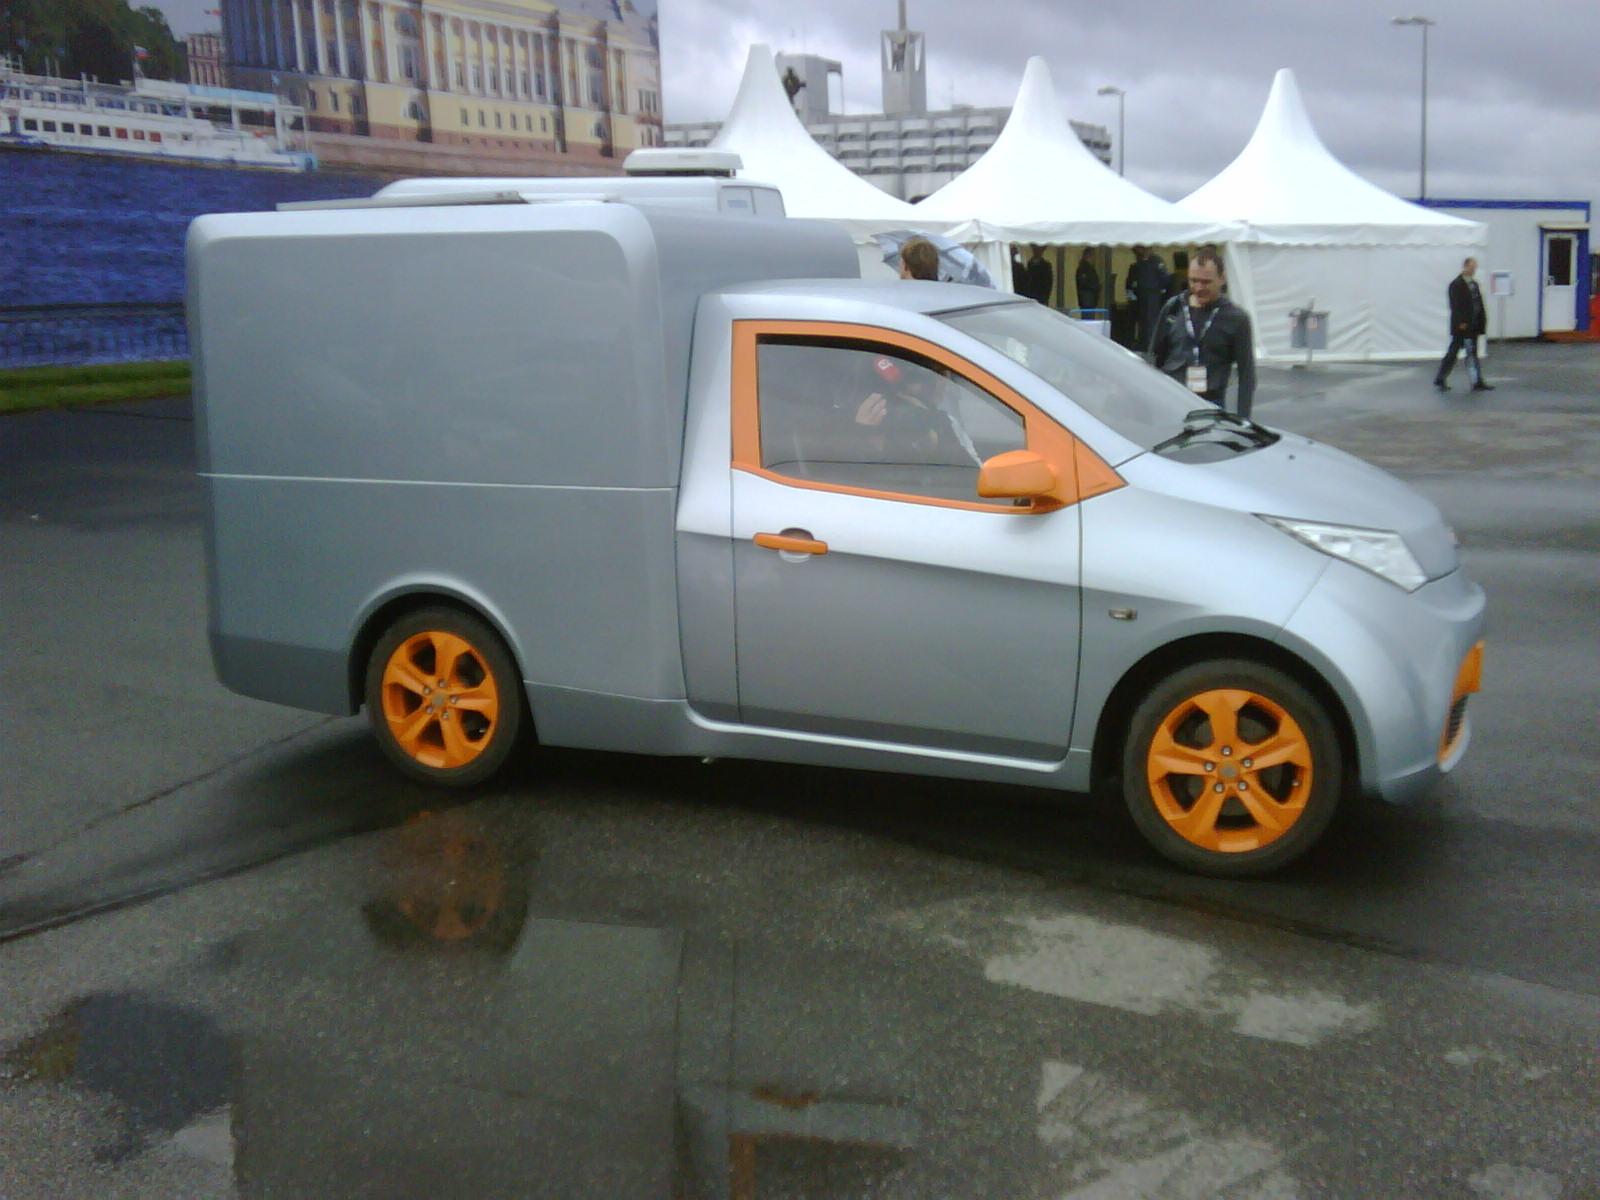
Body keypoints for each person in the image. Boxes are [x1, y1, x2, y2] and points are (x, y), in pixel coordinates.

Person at [1149, 247, 1256, 419]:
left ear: (1222, 278)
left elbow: (1247, 375)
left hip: (1210, 406)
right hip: (1171, 402)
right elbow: (1154, 359)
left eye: (1206, 282)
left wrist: (1244, 419)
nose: (1198, 288)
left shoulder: (1236, 319)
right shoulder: (1173, 308)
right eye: (1193, 280)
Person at [853, 355, 980, 466]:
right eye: (918, 379)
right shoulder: (858, 428)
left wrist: (938, 439)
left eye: (942, 375)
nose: (941, 383)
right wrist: (868, 437)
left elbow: (972, 474)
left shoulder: (943, 421)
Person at [1434, 256, 1493, 392]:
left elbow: (1478, 304)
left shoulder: (1474, 284)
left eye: (1475, 268)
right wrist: (1461, 322)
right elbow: (1455, 306)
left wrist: (1481, 321)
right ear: (1465, 267)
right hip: (1462, 327)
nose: (1473, 270)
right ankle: (1441, 378)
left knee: (1471, 353)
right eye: (1472, 267)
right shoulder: (1456, 284)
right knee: (1453, 353)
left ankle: (1476, 380)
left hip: (1473, 325)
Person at [1127, 246, 1171, 349]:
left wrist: (1161, 289)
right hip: (1141, 296)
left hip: (1153, 295)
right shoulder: (1138, 264)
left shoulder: (1156, 261)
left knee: (1151, 320)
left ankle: (1151, 345)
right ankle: (1143, 344)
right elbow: (1131, 281)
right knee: (1142, 321)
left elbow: (1165, 278)